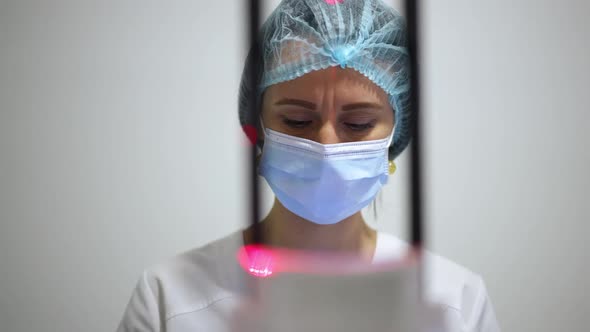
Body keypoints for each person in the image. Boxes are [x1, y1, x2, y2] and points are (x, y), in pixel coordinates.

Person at [117, 0, 500, 331]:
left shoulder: (454, 303)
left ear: (394, 137)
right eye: (297, 122)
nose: (326, 145)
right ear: (258, 127)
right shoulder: (168, 299)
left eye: (358, 124)